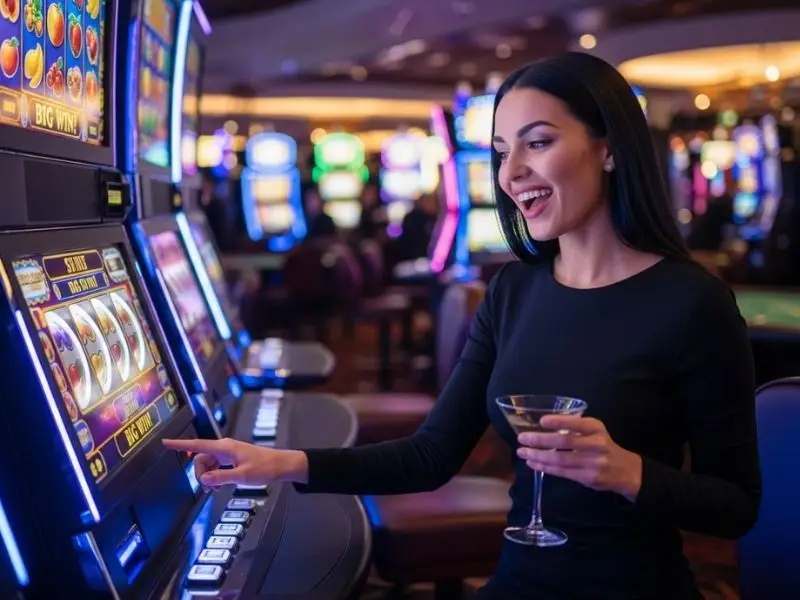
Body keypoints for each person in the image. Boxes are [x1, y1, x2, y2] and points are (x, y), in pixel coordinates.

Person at [165, 52, 760, 599]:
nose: (511, 173)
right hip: (517, 583)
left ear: (609, 148)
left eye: (539, 142)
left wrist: (630, 474)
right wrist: (283, 462)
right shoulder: (513, 290)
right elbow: (431, 455)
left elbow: (736, 506)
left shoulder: (692, 302)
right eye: (502, 151)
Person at [396, 191, 439, 261]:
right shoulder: (412, 218)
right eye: (427, 201)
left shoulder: (435, 218)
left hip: (430, 257)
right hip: (412, 257)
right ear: (421, 202)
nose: (430, 204)